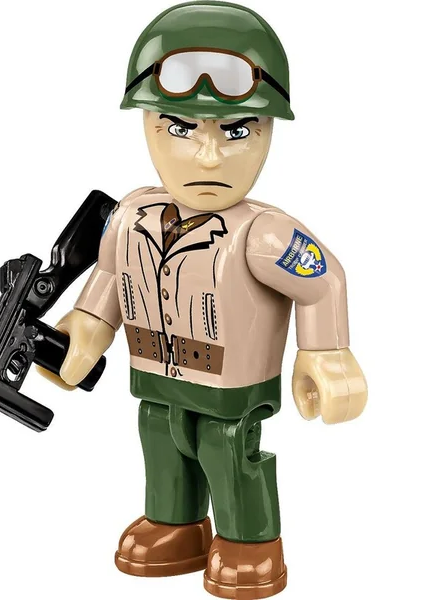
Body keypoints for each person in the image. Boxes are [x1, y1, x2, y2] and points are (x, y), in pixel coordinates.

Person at [39, 2, 368, 597]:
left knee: (227, 452)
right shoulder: (131, 214)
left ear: (268, 131)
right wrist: (82, 332)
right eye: (180, 127)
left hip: (228, 391)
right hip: (155, 377)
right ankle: (176, 524)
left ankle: (250, 541)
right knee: (160, 440)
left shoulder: (263, 235)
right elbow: (110, 279)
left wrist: (327, 352)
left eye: (237, 131)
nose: (208, 155)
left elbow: (324, 281)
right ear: (146, 123)